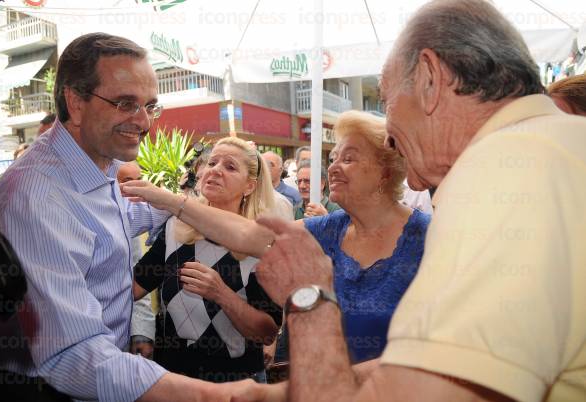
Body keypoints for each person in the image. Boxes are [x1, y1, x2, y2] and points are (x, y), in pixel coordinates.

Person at [231, 0, 586, 401]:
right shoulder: (560, 146)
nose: (389, 137)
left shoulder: (503, 172)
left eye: (386, 101)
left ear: (432, 79)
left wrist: (308, 298)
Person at [0, 32, 234, 402]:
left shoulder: (98, 165)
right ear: (75, 101)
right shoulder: (37, 198)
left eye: (150, 106)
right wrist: (220, 396)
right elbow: (74, 355)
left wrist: (184, 201)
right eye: (125, 104)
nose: (144, 122)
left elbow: (124, 220)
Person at [123, 110, 431, 364]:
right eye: (333, 157)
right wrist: (170, 201)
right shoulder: (326, 230)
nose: (333, 167)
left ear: (385, 172)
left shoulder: (430, 238)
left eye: (348, 158)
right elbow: (247, 235)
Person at [132, 137, 282, 383]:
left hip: (235, 384)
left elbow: (266, 332)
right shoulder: (174, 229)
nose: (215, 170)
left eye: (230, 166)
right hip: (172, 380)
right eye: (212, 162)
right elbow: (134, 287)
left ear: (250, 186)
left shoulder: (261, 245)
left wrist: (222, 294)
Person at [118, 161, 156, 359]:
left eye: (139, 180)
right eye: (127, 181)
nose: (135, 187)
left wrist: (142, 332)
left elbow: (137, 282)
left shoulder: (155, 212)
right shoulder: (116, 218)